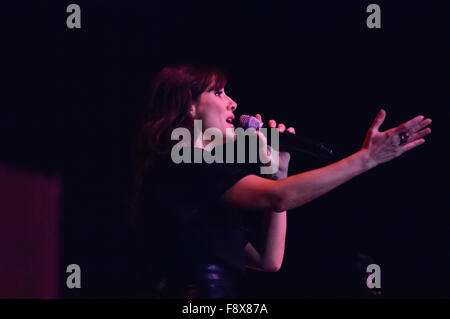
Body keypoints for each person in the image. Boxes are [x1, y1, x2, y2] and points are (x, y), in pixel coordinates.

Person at [129, 64, 432, 298]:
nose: (233, 103)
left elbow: (269, 260)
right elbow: (278, 197)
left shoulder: (199, 174)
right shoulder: (182, 160)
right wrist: (367, 158)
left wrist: (278, 172)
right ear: (189, 106)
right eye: (218, 92)